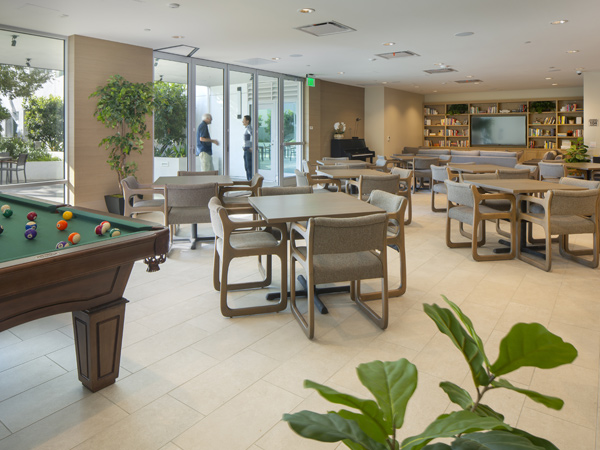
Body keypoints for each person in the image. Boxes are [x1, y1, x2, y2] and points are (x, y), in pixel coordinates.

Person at [242, 115, 253, 181]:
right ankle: (248, 181)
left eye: (244, 120)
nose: (242, 121)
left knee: (248, 167)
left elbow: (253, 137)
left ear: (247, 121)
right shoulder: (246, 128)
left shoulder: (249, 129)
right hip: (245, 149)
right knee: (246, 166)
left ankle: (250, 181)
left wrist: (251, 147)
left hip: (248, 149)